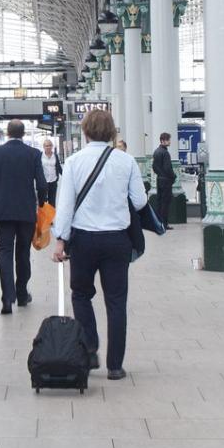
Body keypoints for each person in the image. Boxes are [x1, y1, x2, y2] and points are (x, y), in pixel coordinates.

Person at [51, 108, 149, 381]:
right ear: (111, 133)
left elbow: (66, 205)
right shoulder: (126, 161)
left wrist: (60, 241)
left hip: (83, 240)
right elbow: (140, 202)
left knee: (81, 295)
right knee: (116, 302)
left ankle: (90, 346)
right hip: (117, 240)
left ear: (84, 131)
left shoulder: (73, 162)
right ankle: (115, 366)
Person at [0, 120, 50, 314]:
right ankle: (22, 294)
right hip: (26, 213)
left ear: (8, 133)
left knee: (4, 253)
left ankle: (7, 299)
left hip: (3, 213)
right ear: (23, 134)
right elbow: (42, 184)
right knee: (23, 253)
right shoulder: (33, 154)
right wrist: (41, 204)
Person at [151, 131, 176, 206]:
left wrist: (159, 174)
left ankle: (159, 218)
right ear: (162, 141)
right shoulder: (165, 153)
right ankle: (164, 218)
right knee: (165, 203)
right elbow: (167, 168)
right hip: (166, 181)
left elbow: (154, 166)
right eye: (168, 140)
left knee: (160, 202)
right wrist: (173, 176)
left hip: (159, 179)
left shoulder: (156, 151)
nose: (169, 142)